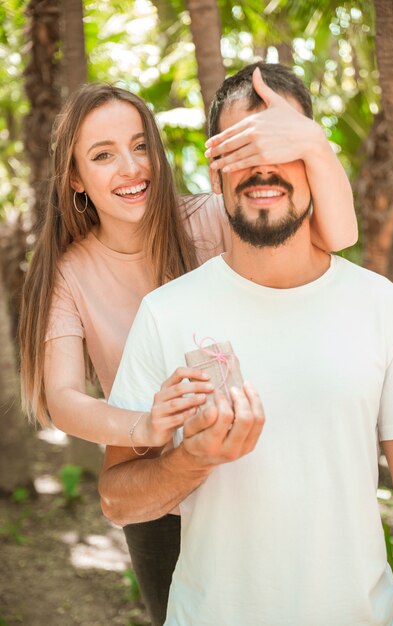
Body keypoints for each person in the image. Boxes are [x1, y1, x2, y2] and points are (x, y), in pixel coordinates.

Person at [19, 75, 356, 625]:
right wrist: (143, 429)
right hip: (159, 494)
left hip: (252, 473)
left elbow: (335, 236)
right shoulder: (67, 273)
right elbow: (61, 399)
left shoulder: (210, 219)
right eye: (103, 155)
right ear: (76, 178)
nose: (130, 168)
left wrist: (310, 142)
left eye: (140, 145)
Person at [100, 62, 393, 626]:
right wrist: (190, 460)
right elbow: (118, 500)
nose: (262, 168)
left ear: (316, 162)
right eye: (241, 150)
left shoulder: (384, 309)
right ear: (215, 170)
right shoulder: (167, 313)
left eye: (283, 145)